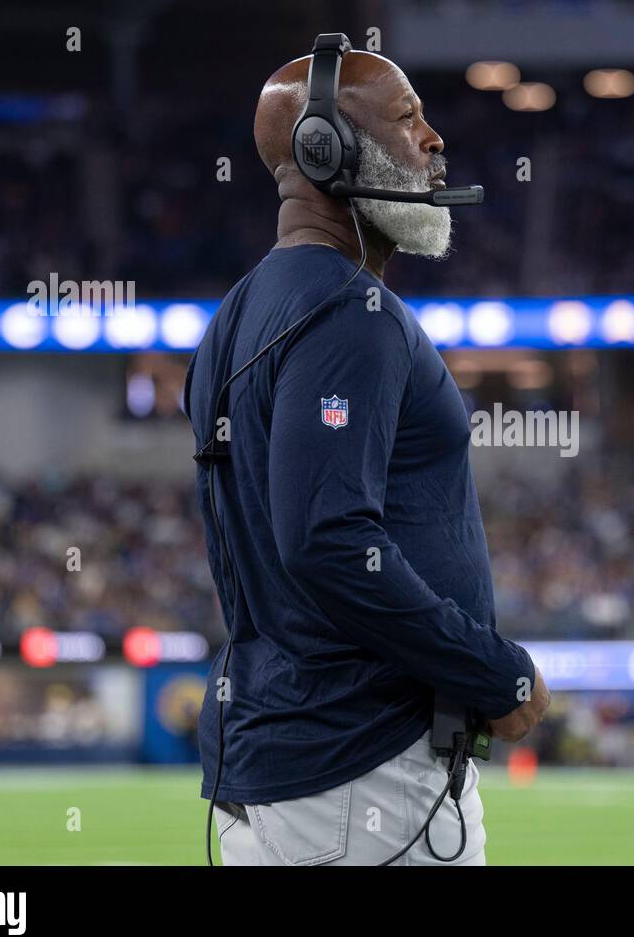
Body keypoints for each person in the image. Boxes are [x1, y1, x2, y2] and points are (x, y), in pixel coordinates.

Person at [184, 43, 549, 865]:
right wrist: (492, 671)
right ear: (325, 148)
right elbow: (328, 540)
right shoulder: (352, 315)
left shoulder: (235, 317)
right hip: (362, 779)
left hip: (294, 771)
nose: (435, 138)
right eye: (407, 118)